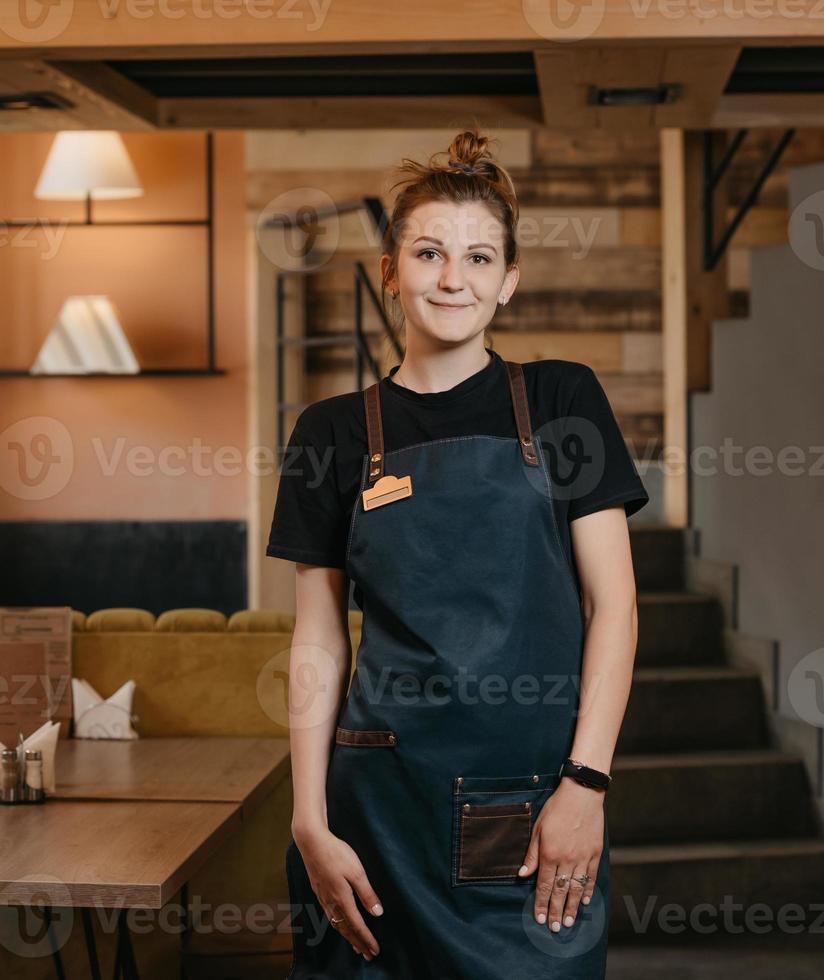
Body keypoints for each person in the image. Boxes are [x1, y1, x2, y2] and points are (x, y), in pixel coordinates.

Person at [266, 127, 646, 978]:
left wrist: (586, 784)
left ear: (508, 282)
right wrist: (308, 820)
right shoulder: (328, 434)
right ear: (390, 271)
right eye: (430, 252)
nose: (452, 277)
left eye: (479, 259)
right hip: (373, 817)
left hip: (535, 808)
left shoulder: (560, 400)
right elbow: (320, 639)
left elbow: (613, 608)